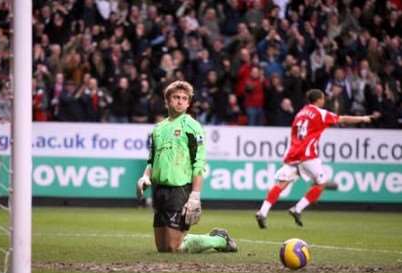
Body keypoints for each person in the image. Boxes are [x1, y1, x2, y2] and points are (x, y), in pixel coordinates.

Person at [136, 80, 237, 253]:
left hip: (180, 189)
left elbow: (198, 163)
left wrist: (195, 195)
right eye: (176, 97)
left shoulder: (192, 127)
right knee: (163, 249)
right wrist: (145, 176)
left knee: (173, 247)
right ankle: (209, 239)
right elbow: (152, 159)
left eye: (184, 98)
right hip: (160, 189)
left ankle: (219, 240)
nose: (180, 101)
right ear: (167, 100)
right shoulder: (158, 129)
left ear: (189, 103)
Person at [255, 89, 376, 229]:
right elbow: (342, 119)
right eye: (323, 98)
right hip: (308, 155)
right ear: (318, 100)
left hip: (294, 153)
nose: (324, 101)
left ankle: (263, 212)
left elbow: (294, 133)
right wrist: (362, 118)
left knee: (281, 184)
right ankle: (298, 209)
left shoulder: (300, 113)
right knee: (322, 183)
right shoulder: (320, 113)